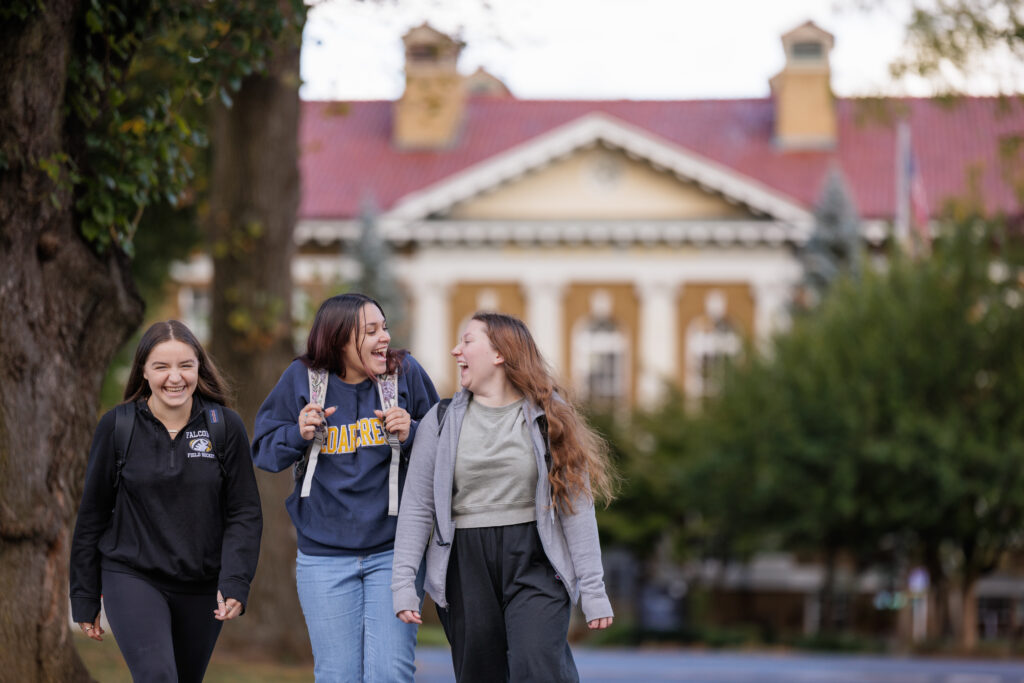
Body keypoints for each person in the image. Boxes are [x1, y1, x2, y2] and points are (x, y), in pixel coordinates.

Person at [392, 311, 617, 683]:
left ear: (499, 353)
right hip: (466, 562)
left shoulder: (550, 416)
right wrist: (403, 586)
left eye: (467, 341)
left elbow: (576, 505)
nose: (455, 350)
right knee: (480, 673)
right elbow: (418, 508)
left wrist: (593, 589)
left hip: (535, 557)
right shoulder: (440, 420)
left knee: (537, 666)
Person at [251, 292, 439, 682]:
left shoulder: (405, 374)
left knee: (390, 672)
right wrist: (297, 433)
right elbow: (265, 452)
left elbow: (446, 447)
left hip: (394, 552)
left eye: (384, 327)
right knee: (338, 674)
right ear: (338, 339)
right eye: (370, 331)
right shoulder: (302, 379)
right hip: (323, 556)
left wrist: (413, 433)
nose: (384, 337)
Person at [69, 320, 263, 683]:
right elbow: (93, 514)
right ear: (143, 371)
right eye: (161, 367)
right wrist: (83, 594)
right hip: (132, 574)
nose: (175, 378)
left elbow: (244, 512)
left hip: (202, 584)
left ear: (199, 369)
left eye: (185, 366)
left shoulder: (225, 426)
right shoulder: (118, 426)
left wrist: (235, 579)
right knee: (157, 676)